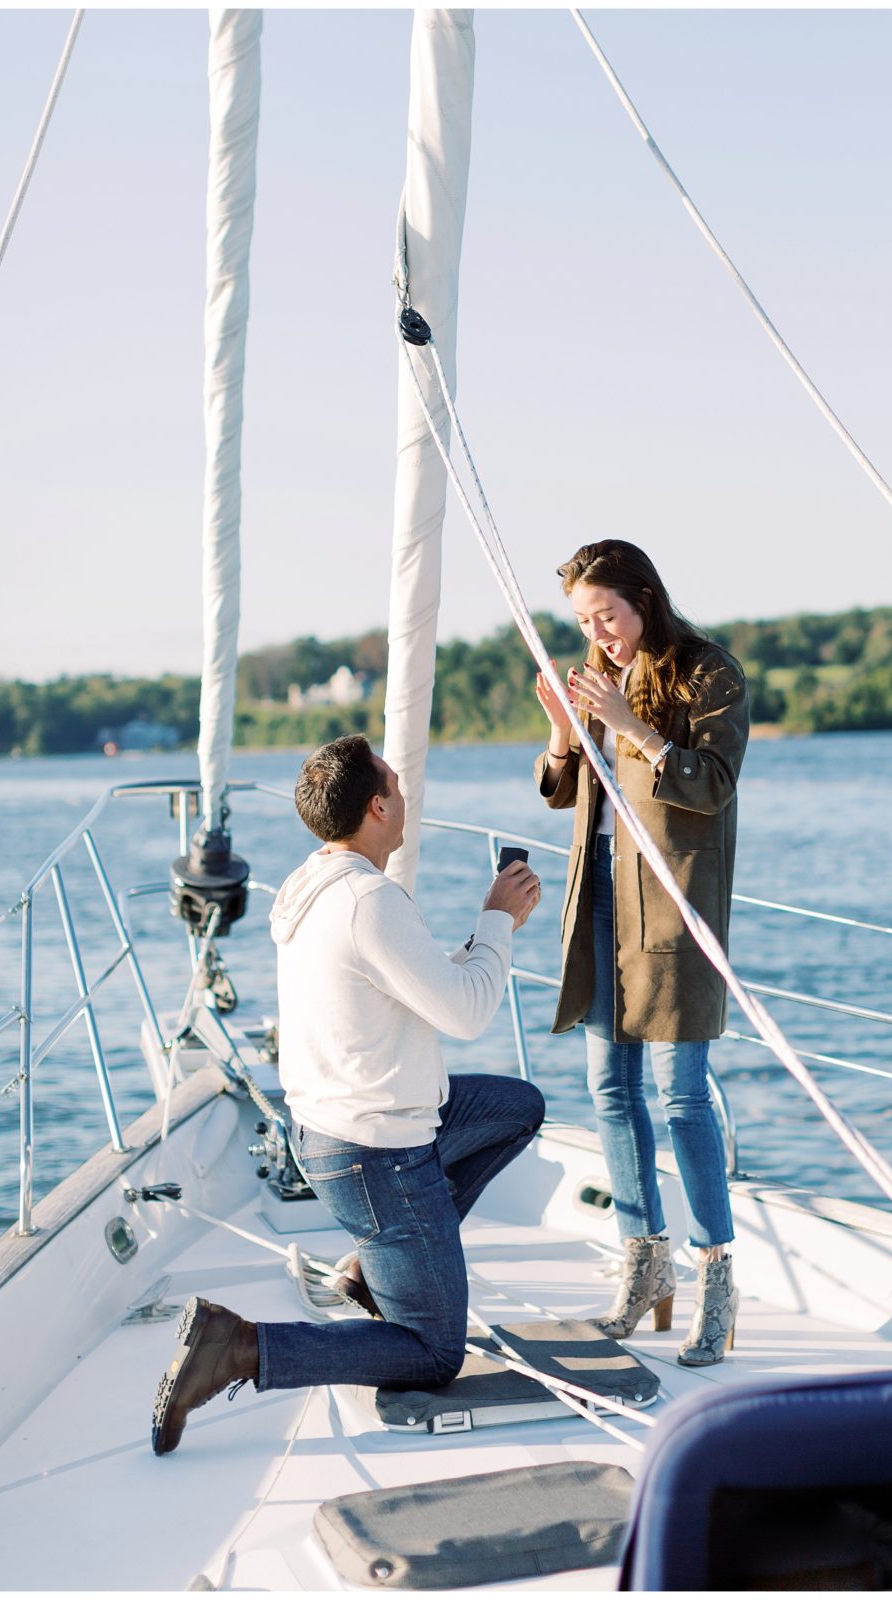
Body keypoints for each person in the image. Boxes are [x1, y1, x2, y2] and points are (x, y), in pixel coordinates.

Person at [151, 734, 544, 1454]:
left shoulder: (317, 884)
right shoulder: (368, 900)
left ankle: (374, 1265)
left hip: (341, 1135)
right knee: (433, 1354)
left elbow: (415, 983)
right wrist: (497, 921)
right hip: (378, 1156)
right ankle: (241, 1348)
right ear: (376, 806)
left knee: (516, 1107)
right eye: (396, 784)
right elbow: (466, 1013)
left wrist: (476, 940)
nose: (405, 796)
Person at [534, 540, 748, 1366]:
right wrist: (565, 729)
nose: (601, 634)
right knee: (609, 1090)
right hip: (600, 898)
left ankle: (717, 1279)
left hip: (673, 906)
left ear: (645, 599)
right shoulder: (595, 676)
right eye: (587, 622)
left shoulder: (706, 671)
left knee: (681, 1094)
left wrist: (630, 727)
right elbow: (563, 788)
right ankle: (644, 1261)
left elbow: (713, 782)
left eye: (609, 616)